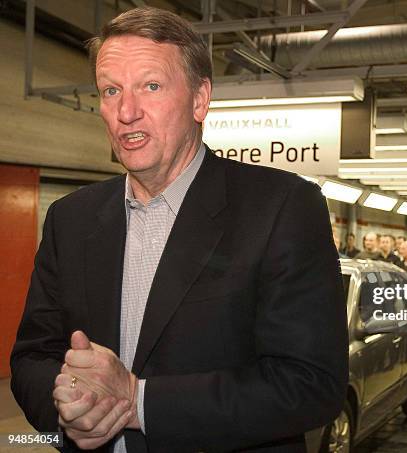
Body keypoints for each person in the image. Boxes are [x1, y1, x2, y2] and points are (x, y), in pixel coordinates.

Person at [10, 8, 348, 453]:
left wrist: (140, 402)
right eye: (111, 90)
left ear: (199, 99)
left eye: (151, 86)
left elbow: (312, 384)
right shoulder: (70, 219)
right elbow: (32, 358)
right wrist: (69, 408)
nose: (126, 111)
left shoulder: (281, 208)